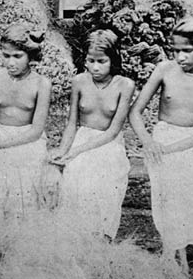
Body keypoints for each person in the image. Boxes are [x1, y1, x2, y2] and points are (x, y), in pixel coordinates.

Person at [129, 17, 193, 279]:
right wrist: (148, 141)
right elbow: (135, 112)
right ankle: (181, 265)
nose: (180, 57)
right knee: (171, 191)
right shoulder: (164, 70)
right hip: (164, 136)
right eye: (176, 50)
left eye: (187, 51)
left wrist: (171, 150)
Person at [50, 29, 135, 241]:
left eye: (102, 61)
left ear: (113, 59)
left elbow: (114, 131)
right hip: (82, 138)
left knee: (103, 185)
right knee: (74, 178)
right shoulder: (79, 81)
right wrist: (64, 150)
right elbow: (72, 123)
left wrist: (78, 151)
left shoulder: (124, 85)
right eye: (91, 60)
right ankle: (77, 244)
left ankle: (101, 243)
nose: (95, 67)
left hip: (108, 144)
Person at [0, 23, 51, 221]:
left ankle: (20, 241)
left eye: (17, 56)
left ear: (30, 56)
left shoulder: (41, 83)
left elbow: (36, 130)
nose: (11, 63)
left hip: (28, 141)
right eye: (6, 56)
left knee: (24, 190)